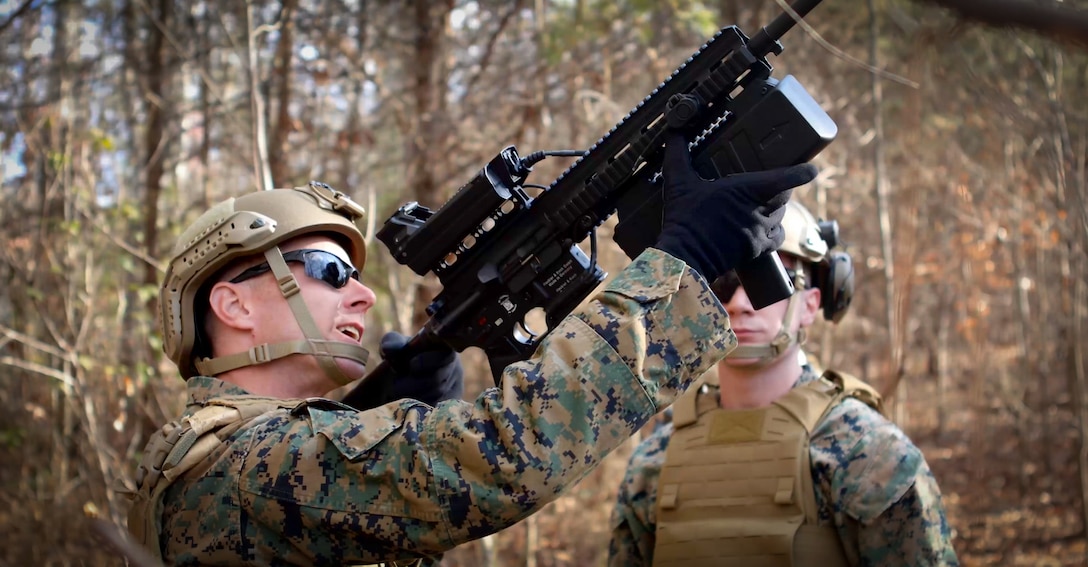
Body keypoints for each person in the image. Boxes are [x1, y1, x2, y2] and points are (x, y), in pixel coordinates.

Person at [123, 131, 818, 566]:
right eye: (330, 272)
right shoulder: (241, 467)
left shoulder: (254, 456)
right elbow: (507, 457)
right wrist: (685, 260)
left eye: (358, 276)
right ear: (233, 303)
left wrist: (385, 421)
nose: (362, 296)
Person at [607, 200, 959, 567]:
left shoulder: (868, 455)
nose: (740, 303)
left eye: (767, 280)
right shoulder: (653, 463)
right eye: (724, 281)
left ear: (810, 304)